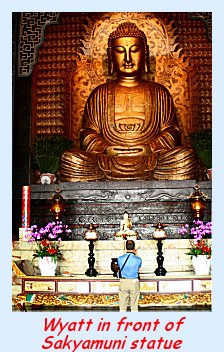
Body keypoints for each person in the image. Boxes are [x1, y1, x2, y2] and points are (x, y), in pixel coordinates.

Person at [60, 21, 197, 181]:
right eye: (120, 51)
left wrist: (150, 148)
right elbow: (87, 134)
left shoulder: (159, 92)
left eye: (134, 50)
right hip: (108, 160)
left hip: (151, 158)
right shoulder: (99, 94)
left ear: (144, 54)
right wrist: (107, 149)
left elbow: (172, 132)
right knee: (71, 160)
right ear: (111, 55)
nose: (127, 58)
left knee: (184, 157)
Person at [117, 240, 142, 312]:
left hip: (123, 281)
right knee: (134, 304)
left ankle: (122, 321)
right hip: (134, 282)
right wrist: (135, 254)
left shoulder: (120, 258)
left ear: (125, 247)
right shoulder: (138, 259)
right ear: (134, 247)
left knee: (122, 304)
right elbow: (138, 266)